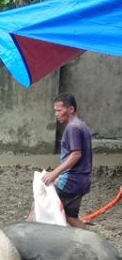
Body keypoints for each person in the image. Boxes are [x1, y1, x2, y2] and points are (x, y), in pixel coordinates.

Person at [32, 92, 93, 229]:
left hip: (71, 182)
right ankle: (90, 240)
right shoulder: (82, 126)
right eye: (55, 111)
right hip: (81, 180)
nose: (56, 114)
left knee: (41, 202)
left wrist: (55, 173)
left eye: (59, 110)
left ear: (70, 109)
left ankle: (29, 234)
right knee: (70, 216)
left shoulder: (72, 128)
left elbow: (76, 155)